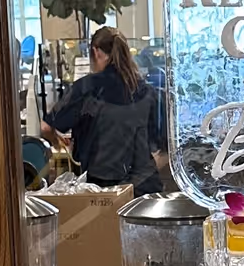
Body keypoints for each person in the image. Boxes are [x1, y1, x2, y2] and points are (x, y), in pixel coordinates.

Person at [42, 25, 163, 192]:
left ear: (96, 52)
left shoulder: (86, 88)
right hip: (146, 188)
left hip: (104, 191)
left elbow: (46, 127)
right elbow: (160, 147)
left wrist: (61, 143)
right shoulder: (147, 90)